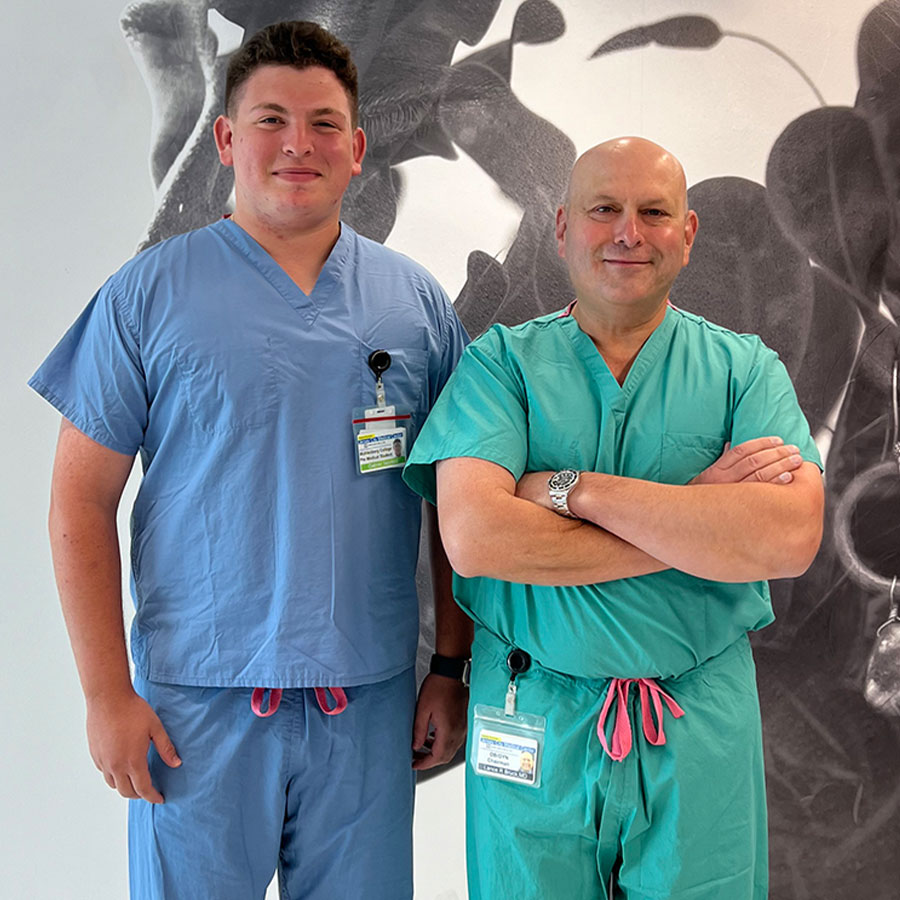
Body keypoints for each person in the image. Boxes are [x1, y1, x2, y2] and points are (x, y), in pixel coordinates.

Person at [29, 20, 471, 900]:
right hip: (194, 709)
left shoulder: (413, 303)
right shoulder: (149, 293)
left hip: (367, 699)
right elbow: (80, 501)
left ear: (358, 147)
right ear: (227, 139)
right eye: (271, 119)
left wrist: (450, 669)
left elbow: (457, 505)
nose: (298, 144)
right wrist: (106, 696)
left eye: (322, 122)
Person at [403, 136, 824, 899]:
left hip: (696, 722)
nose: (628, 232)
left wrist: (575, 491)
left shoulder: (745, 370)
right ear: (562, 227)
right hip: (531, 715)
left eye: (654, 212)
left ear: (688, 235)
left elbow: (788, 537)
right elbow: (476, 537)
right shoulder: (501, 366)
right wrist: (699, 525)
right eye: (605, 209)